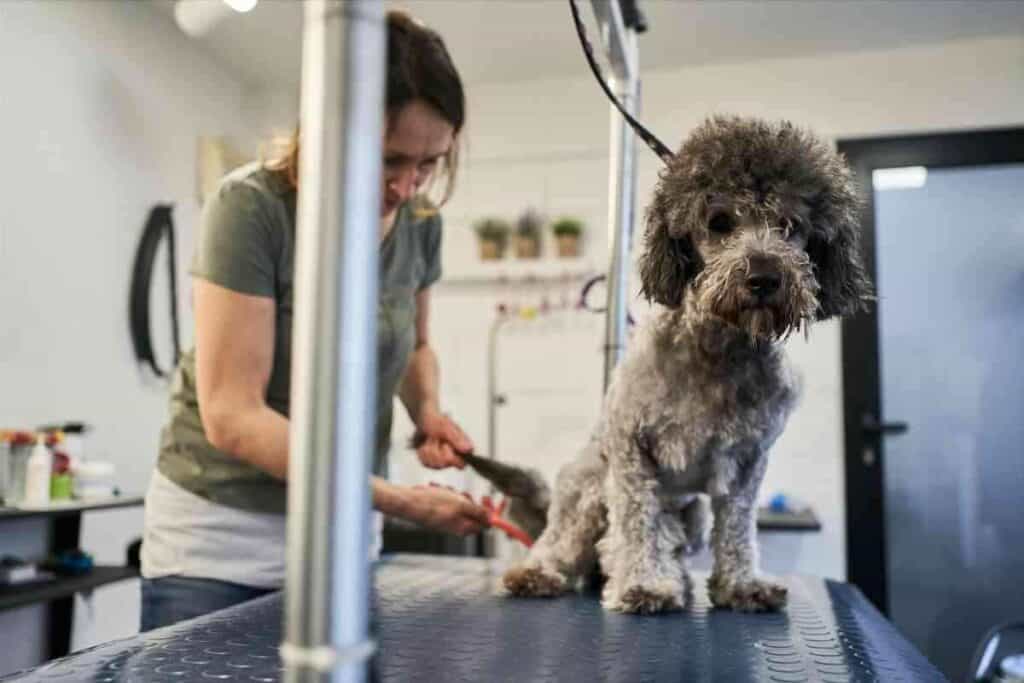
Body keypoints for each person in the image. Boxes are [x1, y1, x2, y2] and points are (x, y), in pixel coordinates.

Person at [140, 10, 486, 631]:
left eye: (430, 164)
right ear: (332, 130)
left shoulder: (420, 224)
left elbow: (415, 345)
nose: (408, 186)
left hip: (347, 534)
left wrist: (427, 411)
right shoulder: (251, 209)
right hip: (222, 543)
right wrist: (399, 500)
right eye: (389, 161)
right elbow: (233, 416)